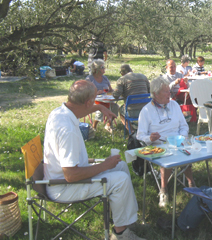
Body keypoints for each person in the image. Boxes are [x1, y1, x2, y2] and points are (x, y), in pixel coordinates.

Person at [43, 80, 145, 240]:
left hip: (65, 177)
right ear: (88, 102)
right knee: (120, 180)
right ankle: (120, 234)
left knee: (122, 166)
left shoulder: (59, 112)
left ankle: (124, 220)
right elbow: (71, 175)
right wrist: (104, 165)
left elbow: (82, 108)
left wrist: (100, 107)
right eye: (96, 99)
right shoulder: (67, 129)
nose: (97, 101)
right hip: (63, 187)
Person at [137, 77, 195, 207]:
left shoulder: (174, 105)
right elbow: (140, 135)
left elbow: (184, 126)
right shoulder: (146, 111)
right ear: (156, 94)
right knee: (167, 155)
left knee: (185, 152)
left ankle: (191, 184)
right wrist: (149, 138)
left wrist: (182, 137)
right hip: (159, 144)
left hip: (178, 141)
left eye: (169, 91)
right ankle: (163, 190)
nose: (170, 94)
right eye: (166, 92)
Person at [113, 64, 150, 134]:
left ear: (122, 73)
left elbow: (115, 95)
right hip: (146, 109)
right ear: (131, 70)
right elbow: (150, 91)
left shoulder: (122, 79)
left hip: (132, 111)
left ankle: (131, 131)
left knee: (121, 111)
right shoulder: (143, 77)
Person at [86, 59, 116, 130]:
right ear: (96, 69)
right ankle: (94, 127)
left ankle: (108, 125)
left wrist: (114, 91)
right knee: (100, 108)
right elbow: (86, 92)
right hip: (94, 100)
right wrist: (95, 93)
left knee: (115, 107)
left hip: (106, 100)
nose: (104, 69)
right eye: (102, 67)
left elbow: (111, 90)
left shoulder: (105, 78)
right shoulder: (89, 79)